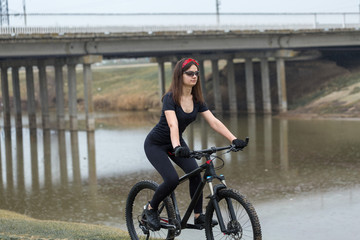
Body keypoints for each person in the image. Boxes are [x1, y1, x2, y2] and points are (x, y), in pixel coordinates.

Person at [143, 57, 247, 230]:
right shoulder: (170, 98)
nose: (194, 76)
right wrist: (177, 147)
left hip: (176, 144)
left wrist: (233, 139)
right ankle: (150, 209)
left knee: (195, 175)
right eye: (190, 73)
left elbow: (214, 122)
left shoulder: (197, 100)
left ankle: (198, 216)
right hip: (156, 144)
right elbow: (172, 124)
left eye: (197, 73)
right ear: (180, 75)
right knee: (171, 180)